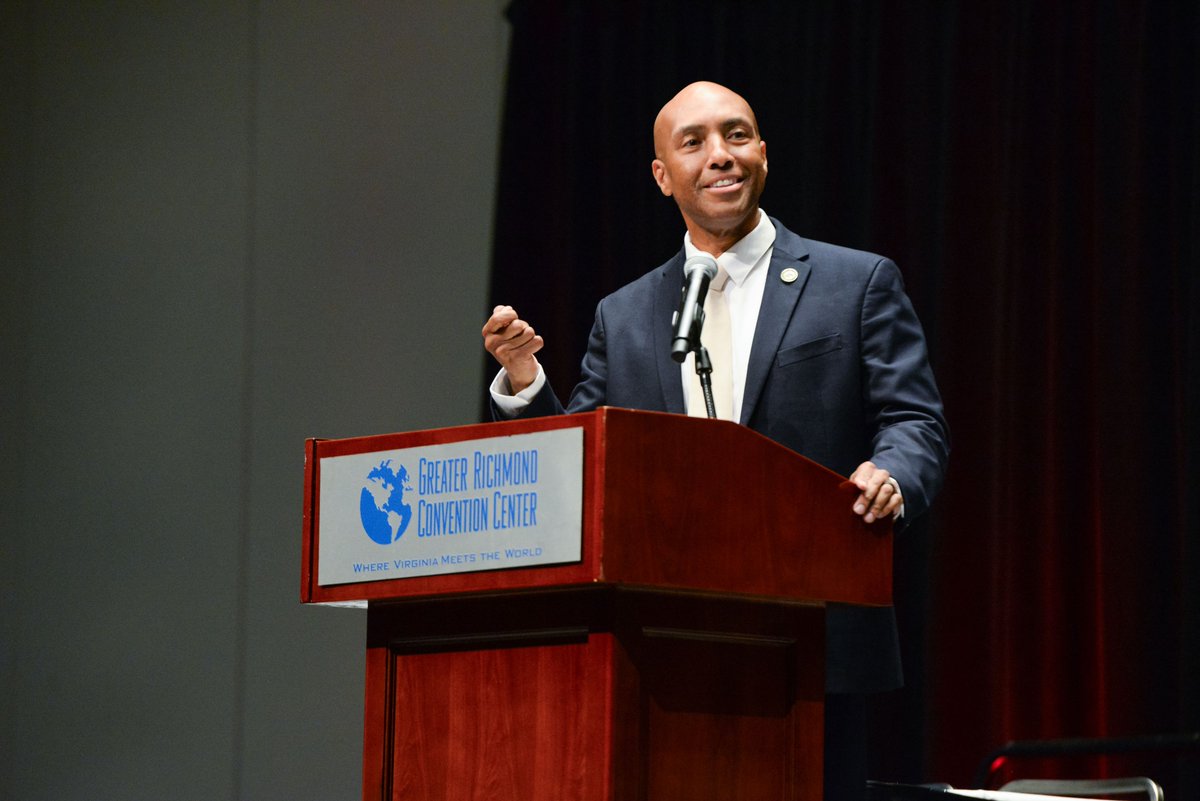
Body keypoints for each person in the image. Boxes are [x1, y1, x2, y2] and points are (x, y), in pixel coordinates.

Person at [482, 80, 949, 800]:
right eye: (693, 142)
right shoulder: (627, 314)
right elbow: (580, 462)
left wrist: (892, 473)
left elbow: (914, 421)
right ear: (663, 176)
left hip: (814, 639)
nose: (720, 155)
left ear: (763, 151)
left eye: (736, 134)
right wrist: (522, 380)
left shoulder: (855, 283)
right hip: (663, 650)